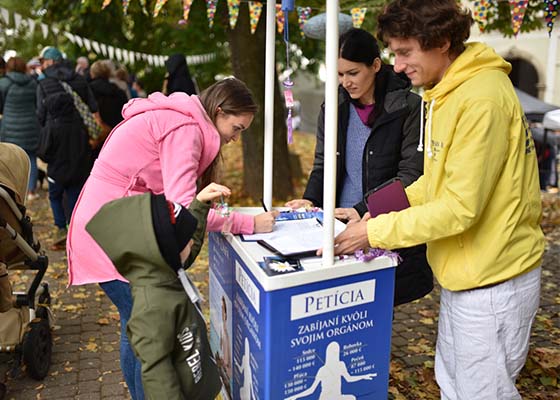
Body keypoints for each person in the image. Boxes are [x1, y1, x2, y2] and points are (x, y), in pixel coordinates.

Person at [332, 1, 545, 398]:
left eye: (405, 52)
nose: (397, 66)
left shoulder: (479, 99)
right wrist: (368, 212)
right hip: (469, 275)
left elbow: (459, 208)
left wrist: (374, 232)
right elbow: (435, 183)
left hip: (493, 278)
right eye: (394, 52)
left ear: (442, 42)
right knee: (455, 387)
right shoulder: (447, 91)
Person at [67, 77, 277, 400]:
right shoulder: (186, 131)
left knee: (134, 325)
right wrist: (249, 223)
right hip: (115, 236)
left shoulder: (181, 118)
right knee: (149, 333)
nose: (235, 139)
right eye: (236, 128)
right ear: (219, 112)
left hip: (106, 226)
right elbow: (183, 211)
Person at [286, 28, 432, 306]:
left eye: (353, 73)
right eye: (339, 74)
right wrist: (310, 200)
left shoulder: (410, 108)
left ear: (375, 65)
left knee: (377, 314)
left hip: (384, 227)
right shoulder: (333, 108)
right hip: (339, 228)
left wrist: (363, 210)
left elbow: (411, 176)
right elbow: (323, 163)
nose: (345, 82)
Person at [86, 186, 227, 399]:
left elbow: (185, 245)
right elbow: (157, 376)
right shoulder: (152, 307)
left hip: (198, 384)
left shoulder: (165, 269)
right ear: (167, 250)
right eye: (186, 238)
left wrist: (199, 205)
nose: (193, 241)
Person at [36, 46, 99, 248]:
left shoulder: (43, 82)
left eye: (43, 61)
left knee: (57, 189)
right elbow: (93, 108)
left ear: (50, 62)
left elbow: (40, 115)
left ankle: (62, 226)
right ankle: (76, 226)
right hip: (80, 138)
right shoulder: (79, 79)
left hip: (55, 138)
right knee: (77, 189)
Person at [0, 57, 41, 201]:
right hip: (30, 125)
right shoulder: (33, 83)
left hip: (10, 126)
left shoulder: (3, 83)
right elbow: (38, 104)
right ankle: (31, 191)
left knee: (9, 159)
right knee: (31, 158)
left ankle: (13, 191)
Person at [88, 60, 128, 155]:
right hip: (116, 136)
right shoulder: (119, 92)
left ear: (92, 74)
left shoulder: (88, 91)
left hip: (96, 136)